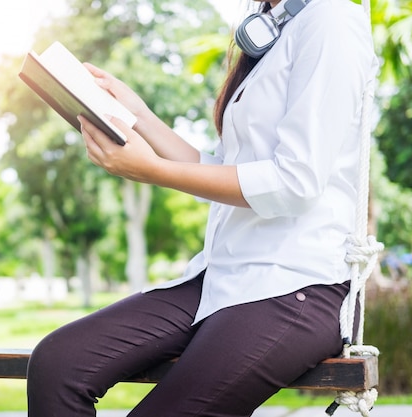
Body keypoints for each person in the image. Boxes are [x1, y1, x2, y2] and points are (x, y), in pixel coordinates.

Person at [26, 0, 377, 415]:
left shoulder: (330, 19)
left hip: (297, 286)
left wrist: (152, 170)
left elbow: (294, 183)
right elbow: (222, 171)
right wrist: (138, 116)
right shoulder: (277, 27)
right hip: (223, 277)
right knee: (58, 364)